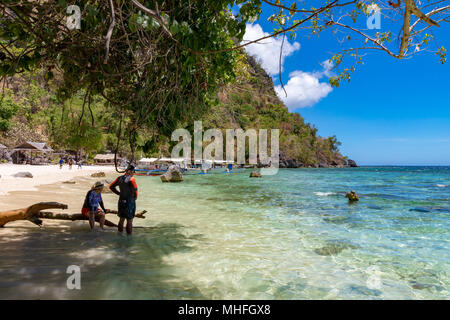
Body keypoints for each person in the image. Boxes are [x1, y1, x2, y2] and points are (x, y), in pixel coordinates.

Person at [109, 164, 138, 235]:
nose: (134, 173)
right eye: (133, 171)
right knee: (130, 220)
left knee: (121, 219)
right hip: (129, 201)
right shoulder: (132, 179)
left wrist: (119, 193)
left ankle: (119, 235)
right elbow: (135, 190)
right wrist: (135, 197)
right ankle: (129, 239)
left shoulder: (119, 178)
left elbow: (111, 186)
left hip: (121, 200)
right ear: (130, 171)